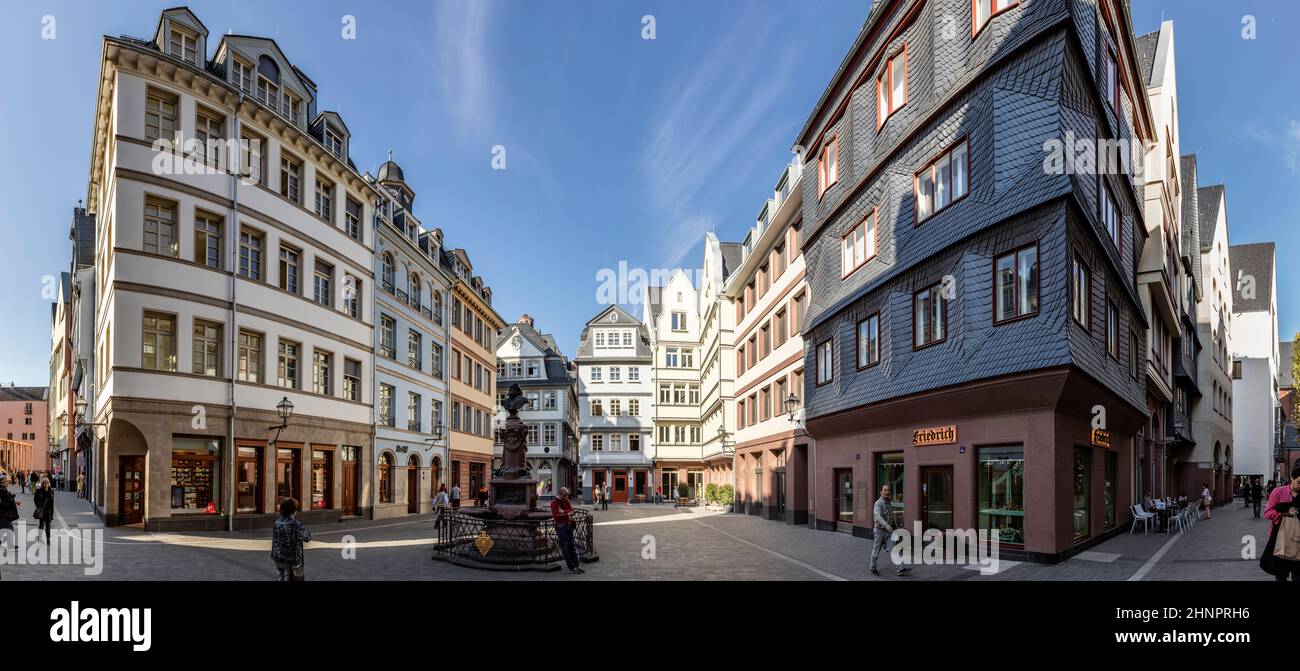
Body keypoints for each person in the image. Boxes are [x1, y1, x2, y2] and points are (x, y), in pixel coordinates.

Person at [1262, 467, 1300, 581]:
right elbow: (1267, 512)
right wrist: (1284, 513)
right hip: (1280, 541)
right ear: (1291, 479)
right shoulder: (1278, 492)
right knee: (1280, 576)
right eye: (1299, 482)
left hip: (1298, 543)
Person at [869, 485, 911, 577]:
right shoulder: (878, 503)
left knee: (893, 550)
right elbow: (878, 517)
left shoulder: (889, 503)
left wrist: (895, 528)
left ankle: (900, 569)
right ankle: (872, 568)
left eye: (888, 490)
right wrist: (887, 526)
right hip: (879, 531)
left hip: (888, 532)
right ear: (881, 492)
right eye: (885, 490)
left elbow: (891, 517)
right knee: (876, 551)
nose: (887, 492)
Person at [271, 497, 311, 581]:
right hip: (289, 559)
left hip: (277, 557)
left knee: (280, 577)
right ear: (294, 511)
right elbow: (306, 537)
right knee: (289, 577)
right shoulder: (294, 524)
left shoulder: (277, 522)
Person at [550, 487, 583, 575]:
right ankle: (571, 567)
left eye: (566, 496)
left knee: (572, 545)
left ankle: (576, 565)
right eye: (564, 496)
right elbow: (556, 515)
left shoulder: (566, 500)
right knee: (565, 546)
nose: (566, 498)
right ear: (560, 494)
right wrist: (567, 513)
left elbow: (571, 510)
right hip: (560, 526)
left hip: (568, 524)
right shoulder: (554, 502)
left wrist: (564, 512)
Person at [33, 477, 55, 545]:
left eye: (47, 482)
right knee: (41, 525)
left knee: (48, 526)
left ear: (49, 483)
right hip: (42, 510)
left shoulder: (51, 491)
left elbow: (52, 501)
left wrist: (52, 512)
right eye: (44, 483)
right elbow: (35, 500)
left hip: (49, 511)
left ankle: (48, 540)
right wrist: (38, 507)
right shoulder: (38, 491)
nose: (46, 484)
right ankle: (40, 537)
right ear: (42, 484)